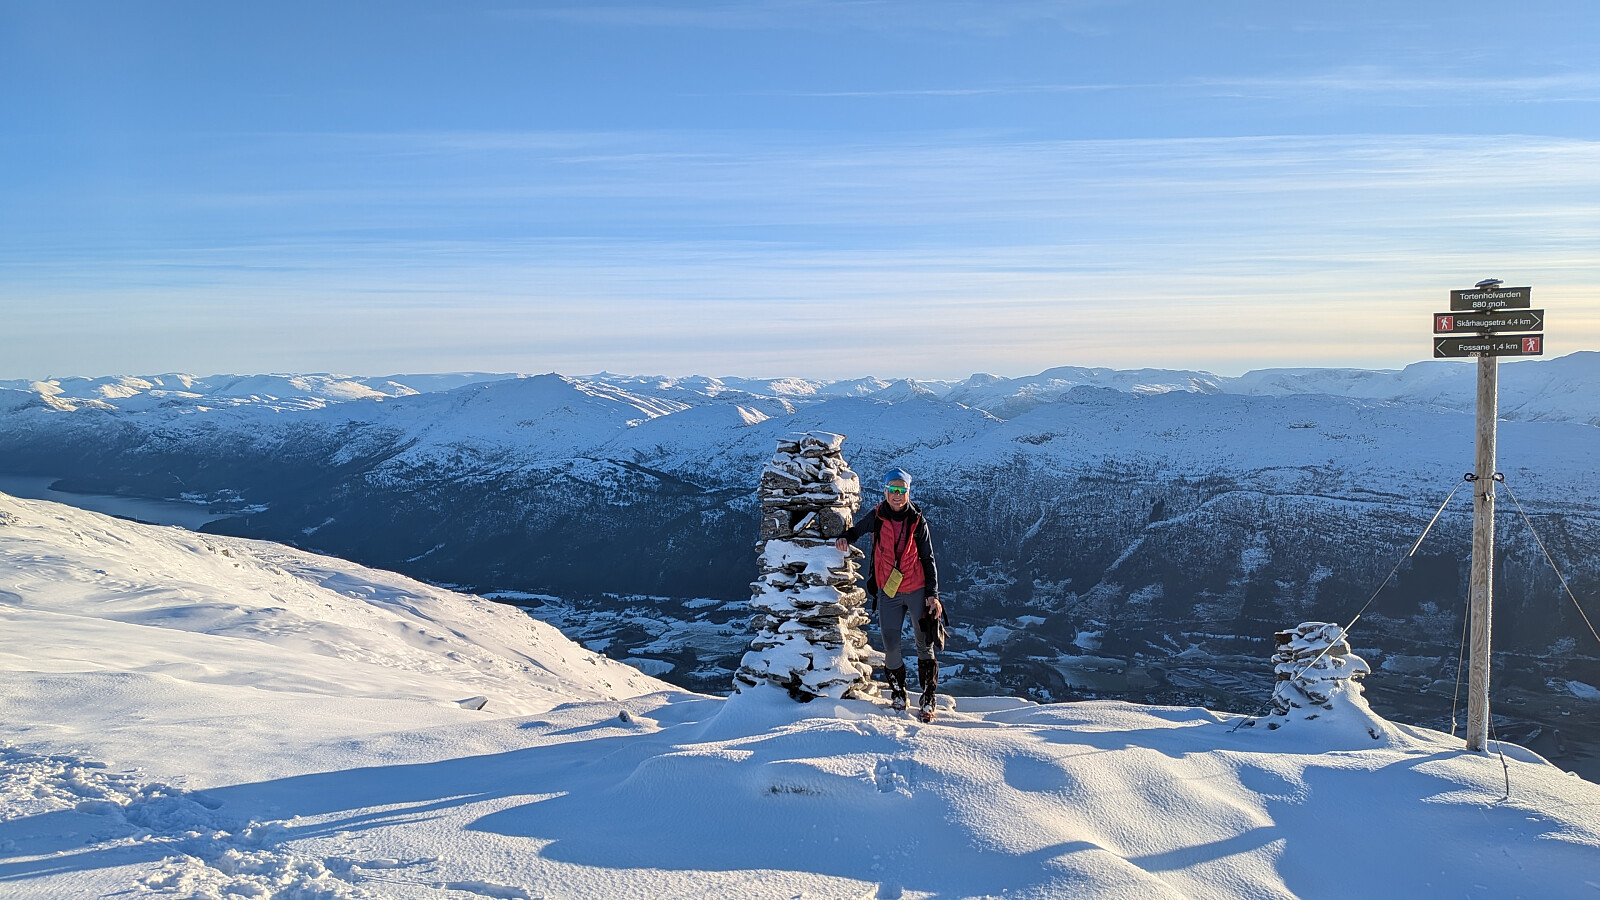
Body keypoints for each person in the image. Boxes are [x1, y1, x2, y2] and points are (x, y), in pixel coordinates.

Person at [836, 467, 945, 720]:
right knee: (891, 645)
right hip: (889, 591)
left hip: (917, 589)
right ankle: (898, 693)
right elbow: (857, 531)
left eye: (902, 490)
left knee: (924, 644)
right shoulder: (877, 516)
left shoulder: (917, 521)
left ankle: (928, 698)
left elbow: (928, 558)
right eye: (893, 489)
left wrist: (933, 594)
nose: (897, 494)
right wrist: (843, 538)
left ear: (908, 491)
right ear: (885, 491)